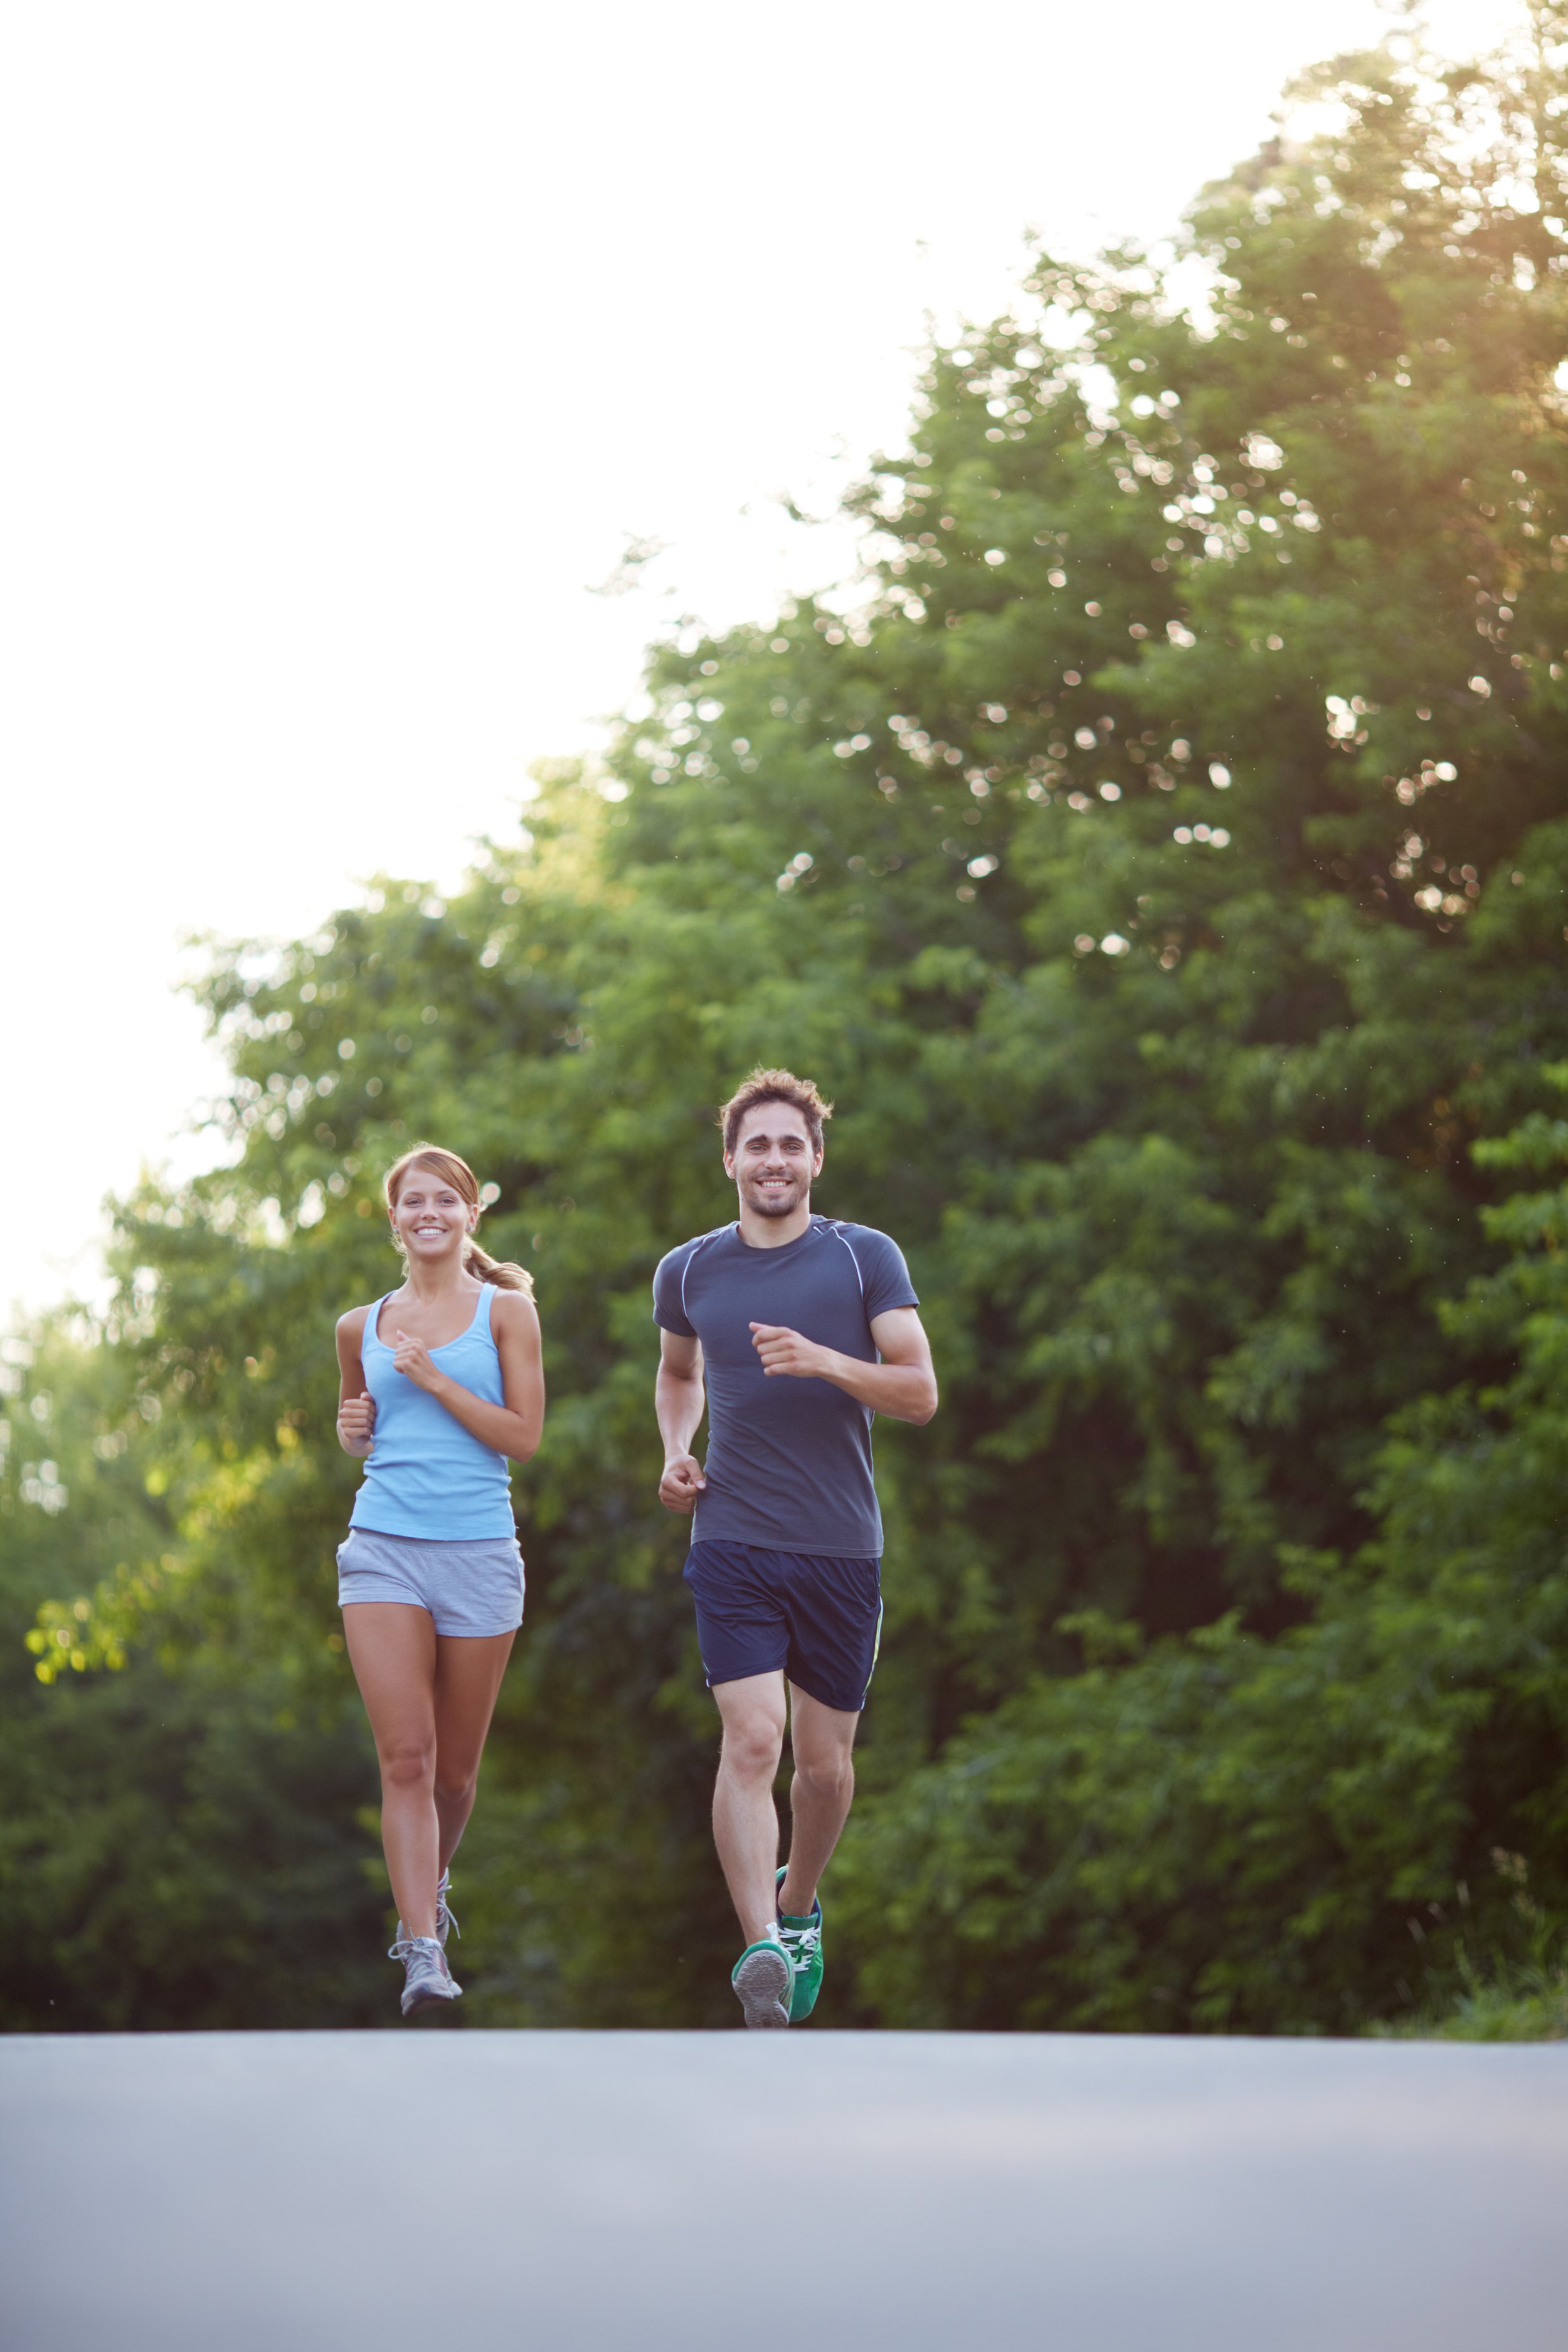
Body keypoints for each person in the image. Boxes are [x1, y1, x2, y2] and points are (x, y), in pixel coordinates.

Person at [654, 1068, 938, 2028]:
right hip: (732, 1536)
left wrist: (824, 1360)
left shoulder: (863, 1260)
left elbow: (920, 1390)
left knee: (822, 1768)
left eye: (790, 1144)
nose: (773, 1160)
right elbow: (677, 1370)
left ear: (816, 1158)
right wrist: (675, 1450)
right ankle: (762, 1949)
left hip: (840, 1548)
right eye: (756, 1144)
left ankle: (800, 1903)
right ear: (730, 1158)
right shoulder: (689, 1269)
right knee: (753, 1739)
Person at [334, 1145, 544, 2018]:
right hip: (383, 1546)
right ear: (395, 1220)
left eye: (444, 1199)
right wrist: (352, 1427)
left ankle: (434, 1879)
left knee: (455, 1774)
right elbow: (359, 1431)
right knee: (407, 1757)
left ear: (470, 1214)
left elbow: (523, 1436)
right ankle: (422, 1948)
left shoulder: (510, 1312)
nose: (428, 1212)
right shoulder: (361, 1324)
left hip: (479, 1553)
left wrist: (430, 1376)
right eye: (411, 1201)